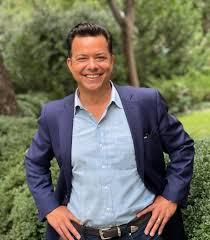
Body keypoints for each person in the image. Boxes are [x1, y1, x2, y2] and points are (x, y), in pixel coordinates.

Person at [25, 22, 194, 240]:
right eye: (82, 58)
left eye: (100, 57)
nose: (92, 66)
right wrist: (51, 208)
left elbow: (183, 147)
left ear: (112, 61)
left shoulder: (146, 103)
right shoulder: (54, 115)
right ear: (70, 64)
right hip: (81, 235)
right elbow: (34, 163)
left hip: (145, 232)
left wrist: (170, 197)